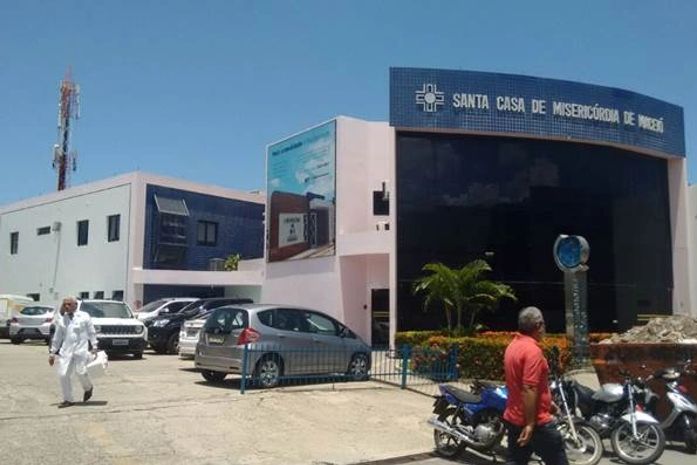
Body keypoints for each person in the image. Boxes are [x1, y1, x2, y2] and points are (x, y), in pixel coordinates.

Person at [503, 306, 568, 465]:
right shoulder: (532, 351)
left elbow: (520, 384)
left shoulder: (513, 346)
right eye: (543, 324)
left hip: (514, 417)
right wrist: (530, 424)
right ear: (538, 325)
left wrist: (548, 403)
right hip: (537, 422)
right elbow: (529, 388)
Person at [48, 296, 98, 408]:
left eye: (69, 304)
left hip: (81, 350)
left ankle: (88, 388)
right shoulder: (62, 319)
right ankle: (68, 399)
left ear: (75, 305)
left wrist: (94, 346)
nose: (66, 306)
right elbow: (57, 337)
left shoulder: (84, 316)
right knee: (63, 375)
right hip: (66, 351)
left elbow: (91, 332)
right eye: (64, 304)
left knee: (81, 372)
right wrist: (52, 353)